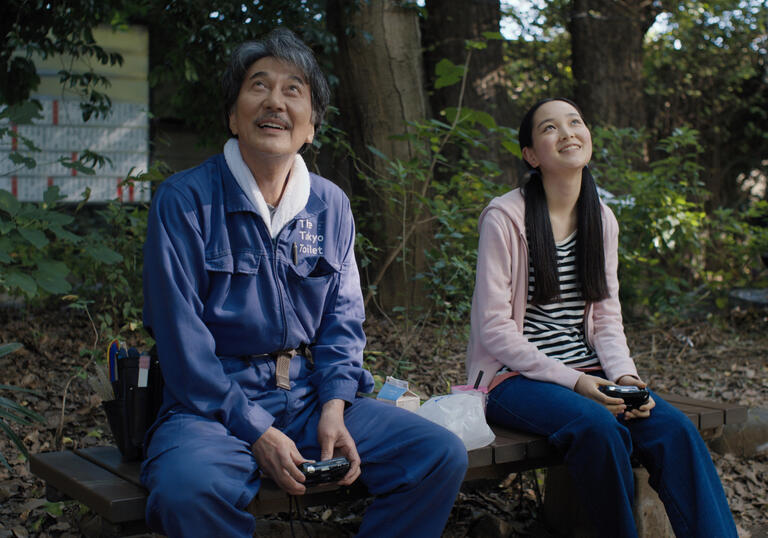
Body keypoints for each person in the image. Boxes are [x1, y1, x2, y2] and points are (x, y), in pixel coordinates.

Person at [140, 28, 467, 537]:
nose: (275, 101)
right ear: (232, 115)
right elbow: (183, 349)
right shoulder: (185, 201)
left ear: (312, 125)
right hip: (212, 407)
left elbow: (343, 320)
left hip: (311, 396)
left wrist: (335, 404)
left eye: (294, 89)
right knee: (187, 490)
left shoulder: (329, 204)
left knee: (436, 453)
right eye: (258, 86)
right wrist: (256, 432)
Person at [466, 97, 737, 537]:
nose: (568, 132)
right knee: (596, 427)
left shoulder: (601, 218)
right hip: (512, 379)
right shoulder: (505, 217)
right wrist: (576, 382)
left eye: (575, 121)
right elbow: (494, 329)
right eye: (550, 128)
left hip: (590, 372)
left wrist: (626, 378)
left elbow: (607, 319)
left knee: (673, 429)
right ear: (531, 155)